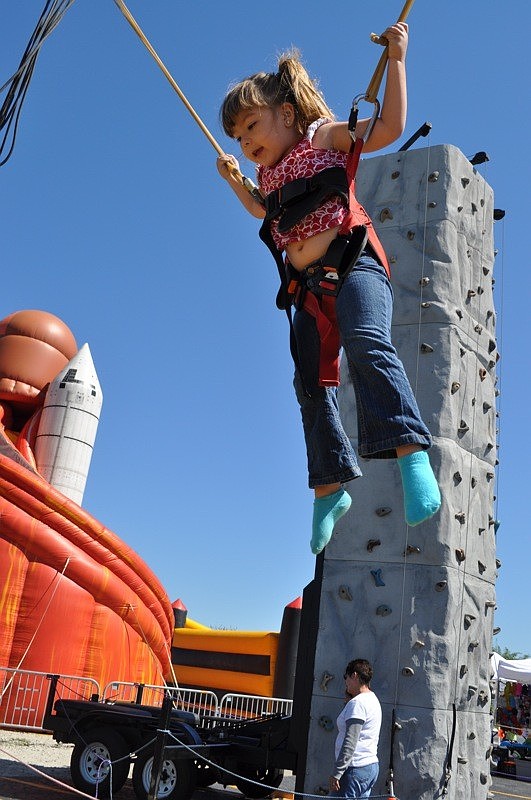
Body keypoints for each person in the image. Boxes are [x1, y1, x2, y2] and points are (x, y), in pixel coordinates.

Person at [216, 22, 441, 555]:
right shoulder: (269, 178)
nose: (248, 144)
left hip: (356, 264)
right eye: (239, 140)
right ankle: (328, 488)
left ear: (287, 114)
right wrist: (234, 180)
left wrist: (399, 61)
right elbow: (261, 209)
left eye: (252, 127)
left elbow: (386, 128)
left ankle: (411, 455)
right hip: (310, 291)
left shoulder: (319, 136)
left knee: (367, 343)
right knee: (309, 384)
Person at [329, 659, 382, 799]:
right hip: (370, 766)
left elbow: (350, 741)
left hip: (354, 767)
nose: (345, 682)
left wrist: (337, 772)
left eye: (345, 678)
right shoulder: (372, 699)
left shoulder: (357, 703)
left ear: (354, 675)